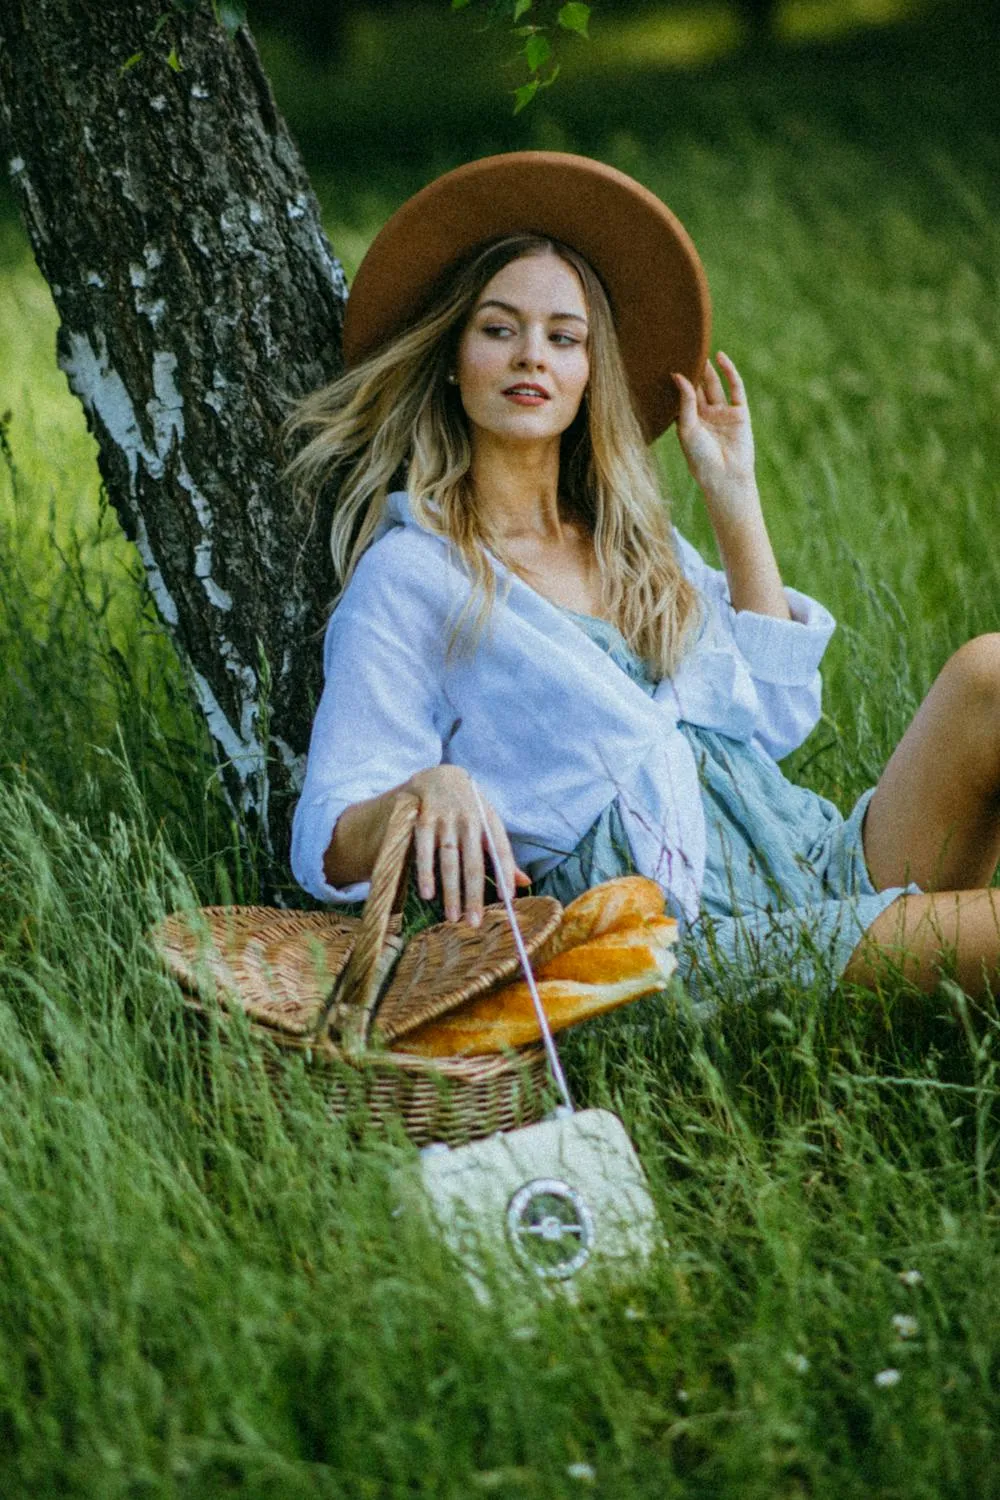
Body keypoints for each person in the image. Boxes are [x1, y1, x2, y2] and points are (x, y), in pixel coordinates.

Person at [288, 151, 1000, 1004]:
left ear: (592, 372)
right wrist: (425, 790)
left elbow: (772, 718)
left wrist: (733, 500)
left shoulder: (631, 540)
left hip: (811, 859)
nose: (531, 357)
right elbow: (325, 843)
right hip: (679, 945)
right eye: (498, 328)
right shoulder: (414, 575)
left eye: (564, 336)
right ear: (451, 356)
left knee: (989, 673)